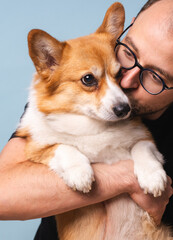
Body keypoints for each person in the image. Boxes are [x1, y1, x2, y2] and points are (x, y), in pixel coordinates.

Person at [0, 0, 173, 239]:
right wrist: (126, 177)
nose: (124, 82)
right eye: (128, 52)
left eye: (155, 76)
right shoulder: (62, 101)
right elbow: (3, 193)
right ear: (127, 30)